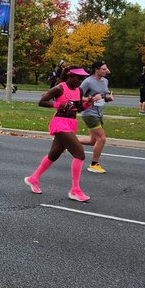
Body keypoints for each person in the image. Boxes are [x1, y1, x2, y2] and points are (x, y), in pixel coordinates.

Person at [25, 67, 90, 202]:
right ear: (70, 76)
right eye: (79, 78)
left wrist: (87, 104)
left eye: (83, 78)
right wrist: (59, 105)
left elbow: (76, 109)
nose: (81, 80)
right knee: (80, 154)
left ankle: (33, 178)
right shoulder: (59, 88)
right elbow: (42, 102)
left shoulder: (80, 90)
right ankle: (75, 190)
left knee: (54, 155)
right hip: (59, 123)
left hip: (71, 123)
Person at [79, 60, 114, 173]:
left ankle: (67, 141)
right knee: (101, 139)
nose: (106, 71)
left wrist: (108, 98)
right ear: (97, 69)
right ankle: (94, 164)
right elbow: (77, 98)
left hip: (99, 113)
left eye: (106, 68)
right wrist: (92, 99)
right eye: (103, 69)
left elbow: (103, 95)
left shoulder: (105, 81)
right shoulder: (87, 82)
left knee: (93, 141)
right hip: (89, 113)